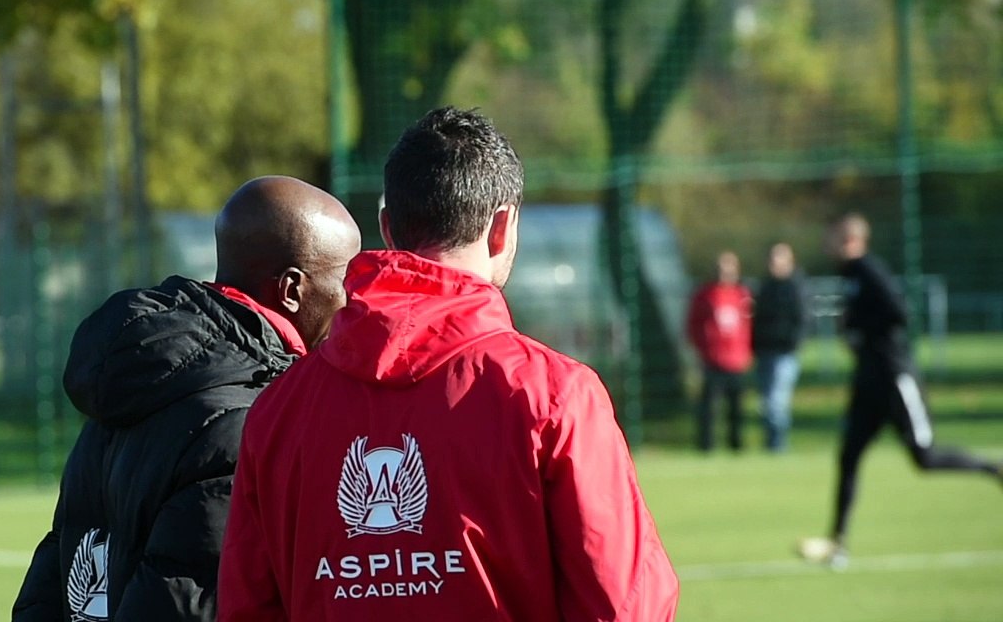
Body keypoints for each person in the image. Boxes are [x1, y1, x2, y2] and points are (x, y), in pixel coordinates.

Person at [218, 107, 678, 621]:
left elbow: (246, 608)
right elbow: (622, 603)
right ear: (502, 228)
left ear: (388, 228)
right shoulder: (554, 396)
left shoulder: (279, 409)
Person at [11, 176, 361, 621]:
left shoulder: (126, 389)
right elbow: (186, 602)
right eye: (347, 280)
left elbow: (47, 587)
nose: (353, 301)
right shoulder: (247, 421)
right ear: (292, 290)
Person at [798, 212, 1002, 570]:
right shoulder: (849, 277)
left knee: (924, 458)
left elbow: (899, 312)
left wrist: (861, 331)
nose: (827, 244)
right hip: (868, 384)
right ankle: (838, 544)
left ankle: (993, 469)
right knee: (848, 457)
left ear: (850, 239)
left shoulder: (869, 270)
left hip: (895, 379)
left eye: (833, 238)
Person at [686, 250, 753, 452]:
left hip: (736, 361)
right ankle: (706, 446)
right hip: (713, 360)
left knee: (736, 409)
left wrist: (746, 352)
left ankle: (736, 446)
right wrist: (703, 349)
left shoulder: (742, 295)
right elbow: (693, 325)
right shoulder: (705, 294)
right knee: (709, 407)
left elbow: (747, 327)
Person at [752, 242, 808, 452]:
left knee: (777, 401)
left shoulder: (796, 287)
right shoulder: (766, 287)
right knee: (766, 403)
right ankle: (771, 443)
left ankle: (777, 446)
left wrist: (792, 344)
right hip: (765, 352)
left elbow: (802, 320)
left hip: (785, 353)